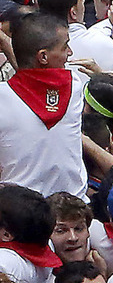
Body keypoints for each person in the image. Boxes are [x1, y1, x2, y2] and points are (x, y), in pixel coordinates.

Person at [0, 12, 89, 199]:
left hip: (19, 211)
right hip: (73, 204)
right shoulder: (74, 85)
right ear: (43, 57)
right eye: (65, 47)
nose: (70, 52)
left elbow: (26, 80)